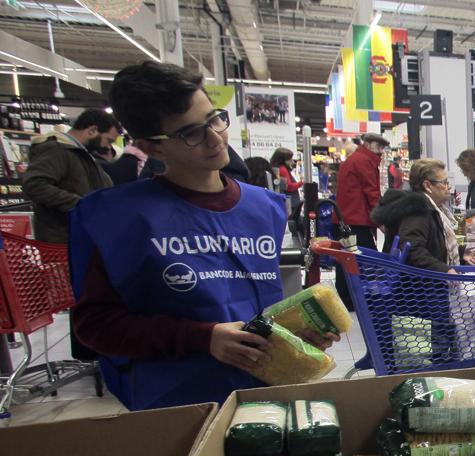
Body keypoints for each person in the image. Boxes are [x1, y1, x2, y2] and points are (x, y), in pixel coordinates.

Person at [68, 60, 338, 411]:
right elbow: (94, 327)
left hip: (262, 398)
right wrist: (203, 338)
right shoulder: (118, 219)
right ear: (153, 147)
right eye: (191, 133)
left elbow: (261, 311)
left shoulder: (265, 208)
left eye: (215, 119)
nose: (215, 139)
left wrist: (298, 335)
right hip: (176, 404)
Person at [21, 108, 120, 243]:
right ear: (92, 131)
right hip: (63, 241)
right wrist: (81, 205)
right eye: (108, 140)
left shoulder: (79, 154)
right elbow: (34, 184)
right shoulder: (56, 149)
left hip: (80, 238)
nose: (108, 147)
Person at [371, 158, 475, 272]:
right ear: (428, 186)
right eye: (444, 182)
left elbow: (435, 245)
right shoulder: (417, 212)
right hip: (420, 286)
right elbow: (412, 249)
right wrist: (444, 270)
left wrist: (461, 252)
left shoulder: (436, 209)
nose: (448, 187)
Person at [336, 132, 387, 251]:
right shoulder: (364, 161)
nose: (381, 150)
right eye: (378, 146)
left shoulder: (355, 159)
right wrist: (381, 220)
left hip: (348, 217)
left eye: (383, 147)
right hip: (356, 220)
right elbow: (371, 192)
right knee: (368, 262)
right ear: (368, 144)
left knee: (349, 260)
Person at [271, 147, 302, 219]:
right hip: (291, 202)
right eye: (289, 159)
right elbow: (289, 186)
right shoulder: (283, 169)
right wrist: (301, 182)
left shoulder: (276, 168)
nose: (291, 161)